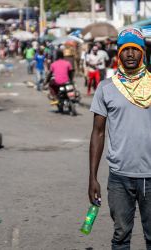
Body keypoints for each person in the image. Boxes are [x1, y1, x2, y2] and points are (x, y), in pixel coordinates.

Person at [89, 28, 151, 250]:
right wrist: (93, 177)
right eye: (126, 49)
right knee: (121, 236)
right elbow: (97, 133)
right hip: (119, 177)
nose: (131, 54)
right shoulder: (106, 88)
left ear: (143, 53)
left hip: (150, 176)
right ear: (118, 54)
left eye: (136, 49)